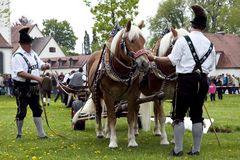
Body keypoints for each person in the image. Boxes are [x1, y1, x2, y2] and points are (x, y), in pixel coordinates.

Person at [148, 5, 215, 156]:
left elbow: (171, 60)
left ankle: (178, 149)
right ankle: (196, 149)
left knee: (179, 115)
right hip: (202, 81)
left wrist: (154, 58)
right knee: (197, 115)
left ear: (192, 26)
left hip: (186, 81)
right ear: (203, 27)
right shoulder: (211, 45)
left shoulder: (183, 41)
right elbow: (211, 67)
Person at [11, 27, 50, 139]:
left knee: (37, 109)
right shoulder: (17, 56)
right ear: (23, 44)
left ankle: (41, 133)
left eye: (30, 43)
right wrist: (37, 78)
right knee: (22, 111)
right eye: (29, 44)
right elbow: (20, 73)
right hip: (22, 87)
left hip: (33, 87)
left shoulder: (32, 53)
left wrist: (45, 66)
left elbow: (40, 64)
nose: (31, 46)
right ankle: (19, 133)